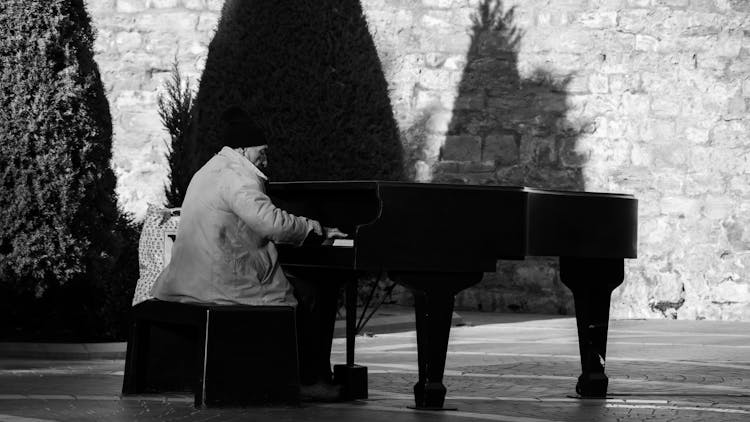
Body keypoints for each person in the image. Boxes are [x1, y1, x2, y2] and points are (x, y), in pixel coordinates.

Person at [151, 106, 345, 401]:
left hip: (190, 278)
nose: (265, 159)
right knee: (311, 293)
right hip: (219, 283)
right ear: (242, 149)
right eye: (261, 152)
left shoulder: (210, 169)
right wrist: (314, 229)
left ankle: (292, 374)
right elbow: (268, 221)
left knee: (299, 286)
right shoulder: (238, 176)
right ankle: (307, 380)